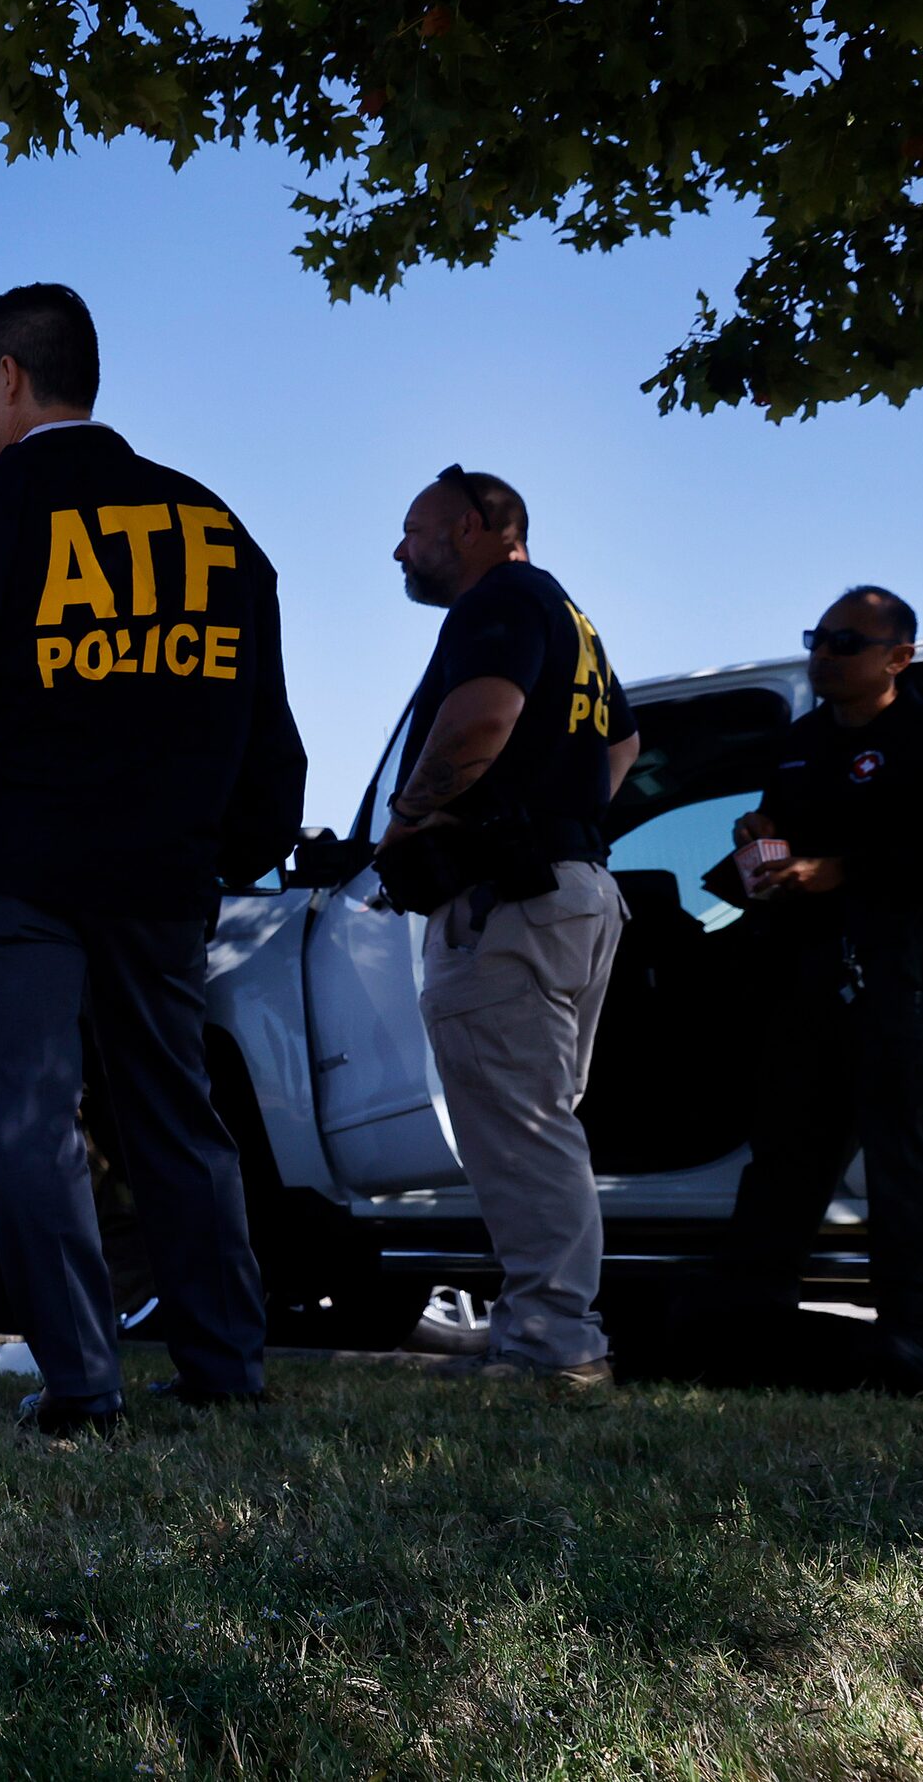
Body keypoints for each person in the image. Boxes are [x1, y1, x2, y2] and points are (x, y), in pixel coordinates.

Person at [0, 283, 305, 1438]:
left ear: (10, 375)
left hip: (8, 875)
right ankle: (225, 1364)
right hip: (162, 878)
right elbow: (267, 731)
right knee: (177, 1114)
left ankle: (81, 1384)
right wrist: (231, 853)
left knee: (28, 1125)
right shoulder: (215, 530)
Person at [381, 464, 639, 1389]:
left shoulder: (497, 600)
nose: (399, 550)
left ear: (475, 528)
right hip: (570, 887)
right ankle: (547, 1330)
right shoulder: (569, 616)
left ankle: (551, 1346)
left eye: (414, 530)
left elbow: (482, 717)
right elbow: (621, 744)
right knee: (542, 1124)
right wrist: (557, 816)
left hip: (507, 900)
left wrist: (412, 818)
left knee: (522, 1129)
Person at [722, 586, 923, 1368]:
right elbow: (777, 821)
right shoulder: (802, 741)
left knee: (906, 1149)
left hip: (909, 969)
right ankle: (750, 1327)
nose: (823, 655)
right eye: (818, 637)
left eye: (846, 642)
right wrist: (760, 838)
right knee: (786, 1147)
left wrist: (842, 870)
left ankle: (917, 1339)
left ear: (897, 658)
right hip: (808, 968)